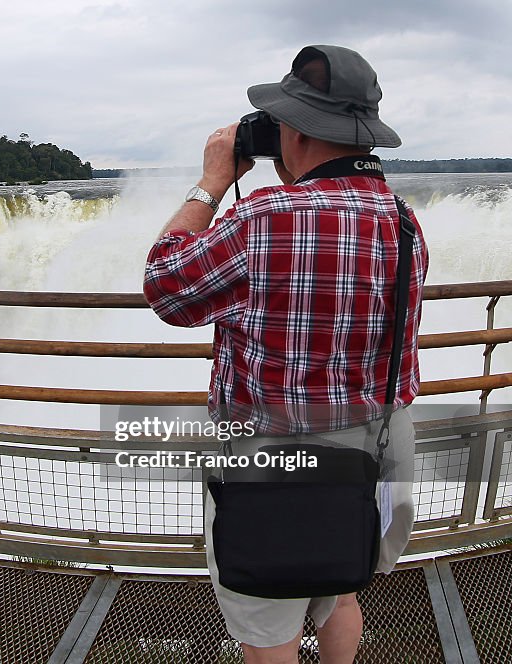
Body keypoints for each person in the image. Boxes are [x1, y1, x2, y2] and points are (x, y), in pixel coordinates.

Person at [143, 45, 429, 663]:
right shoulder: (402, 219)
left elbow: (168, 288)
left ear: (293, 131)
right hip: (378, 447)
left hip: (272, 455)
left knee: (268, 613)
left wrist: (213, 181)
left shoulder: (263, 217)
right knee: (343, 585)